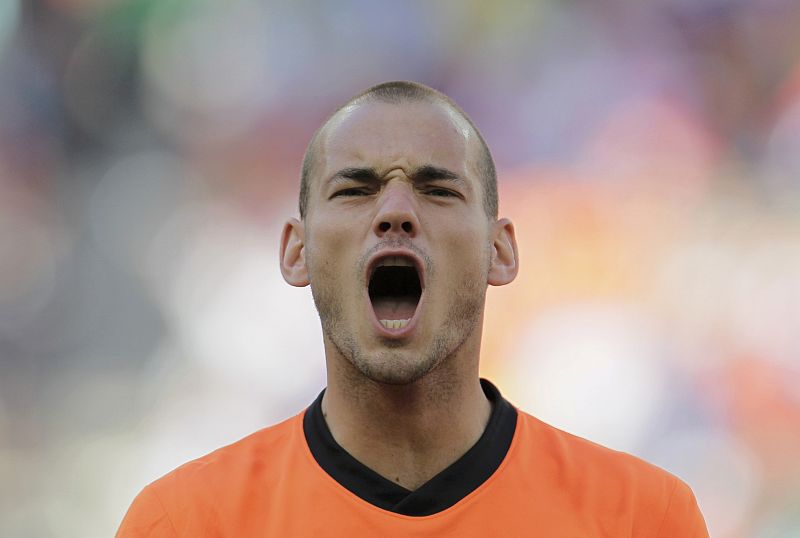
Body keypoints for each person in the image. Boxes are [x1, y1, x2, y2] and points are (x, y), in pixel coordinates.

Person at [116, 81, 709, 536]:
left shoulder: (640, 518)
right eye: (355, 189)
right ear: (297, 251)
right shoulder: (187, 523)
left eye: (438, 189)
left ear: (499, 251)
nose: (395, 211)